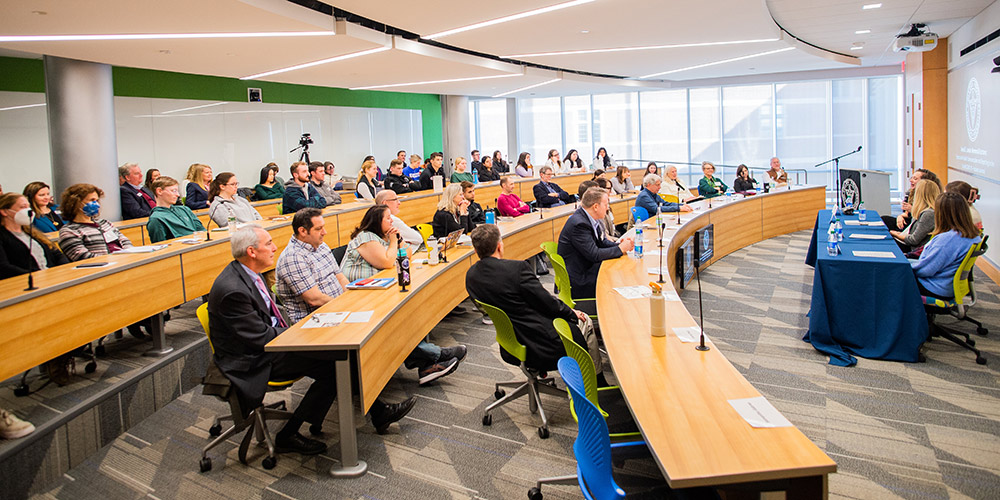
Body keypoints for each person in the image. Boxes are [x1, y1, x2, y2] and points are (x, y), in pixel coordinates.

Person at [211, 225, 415, 446]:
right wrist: (306, 332)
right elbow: (261, 338)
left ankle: (376, 412)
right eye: (268, 243)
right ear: (252, 252)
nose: (274, 247)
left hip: (268, 343)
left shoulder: (248, 274)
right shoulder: (233, 290)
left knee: (340, 360)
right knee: (337, 361)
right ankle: (291, 434)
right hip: (251, 359)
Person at [338, 206, 467, 384]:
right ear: (376, 221)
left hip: (377, 289)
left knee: (407, 311)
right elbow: (387, 262)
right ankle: (436, 355)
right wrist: (393, 241)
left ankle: (427, 366)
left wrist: (398, 240)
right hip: (358, 295)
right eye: (388, 218)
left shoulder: (383, 236)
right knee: (398, 319)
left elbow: (406, 255)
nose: (392, 221)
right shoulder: (365, 237)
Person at [466, 224, 605, 375]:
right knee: (586, 321)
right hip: (544, 342)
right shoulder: (517, 269)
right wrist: (571, 312)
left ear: (475, 250)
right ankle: (595, 379)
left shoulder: (471, 276)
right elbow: (547, 303)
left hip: (510, 343)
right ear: (499, 246)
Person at [557, 187, 634, 301]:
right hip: (580, 278)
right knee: (619, 277)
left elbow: (601, 243)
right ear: (596, 207)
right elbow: (594, 254)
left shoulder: (589, 218)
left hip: (586, 267)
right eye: (606, 205)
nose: (608, 208)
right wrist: (620, 249)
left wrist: (619, 245)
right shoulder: (579, 224)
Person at [911, 192, 982, 299]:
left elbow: (926, 270)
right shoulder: (973, 235)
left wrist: (905, 265)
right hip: (948, 285)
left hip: (934, 287)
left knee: (889, 276)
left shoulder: (946, 240)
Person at [0, 192, 69, 279]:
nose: (28, 210)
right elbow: (4, 267)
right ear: (4, 211)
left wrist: (63, 269)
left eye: (28, 206)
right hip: (24, 281)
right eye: (22, 207)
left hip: (50, 277)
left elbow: (56, 253)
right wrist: (36, 275)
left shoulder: (32, 232)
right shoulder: (3, 236)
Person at [58, 183, 133, 261]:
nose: (96, 204)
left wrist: (128, 254)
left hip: (122, 260)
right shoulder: (69, 231)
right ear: (77, 203)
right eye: (92, 200)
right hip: (102, 266)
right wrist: (113, 259)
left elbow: (124, 240)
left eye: (97, 200)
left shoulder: (104, 223)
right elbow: (82, 257)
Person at [147, 177, 206, 243]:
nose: (177, 195)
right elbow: (161, 246)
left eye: (177, 191)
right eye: (173, 191)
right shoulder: (156, 219)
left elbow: (202, 231)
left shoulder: (185, 209)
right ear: (159, 191)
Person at [890, 179, 940, 253]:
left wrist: (895, 234)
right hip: (911, 246)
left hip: (914, 251)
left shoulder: (928, 214)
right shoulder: (922, 211)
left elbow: (913, 240)